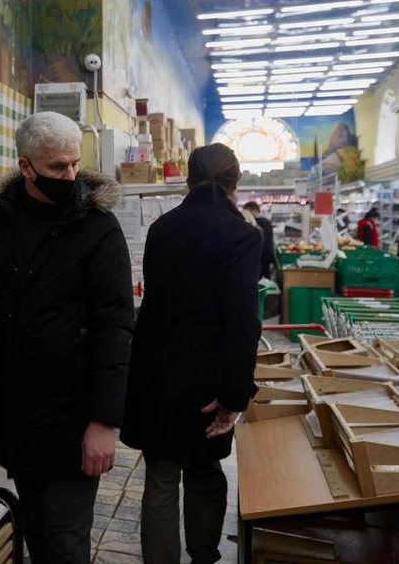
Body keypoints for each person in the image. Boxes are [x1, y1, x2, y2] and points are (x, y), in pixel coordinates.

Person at [0, 111, 134, 563]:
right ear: (26, 167)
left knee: (66, 543)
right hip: (20, 418)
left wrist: (105, 422)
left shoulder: (98, 228)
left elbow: (116, 326)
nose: (69, 176)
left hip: (76, 418)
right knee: (38, 534)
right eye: (56, 168)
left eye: (73, 163)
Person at [122, 144, 261, 564]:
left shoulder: (163, 228)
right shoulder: (243, 235)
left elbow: (157, 302)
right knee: (204, 474)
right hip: (209, 381)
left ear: (188, 178)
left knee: (161, 477)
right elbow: (241, 322)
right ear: (236, 183)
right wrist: (235, 396)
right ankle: (203, 556)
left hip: (158, 374)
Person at [243, 201, 275, 279]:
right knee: (266, 279)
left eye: (247, 212)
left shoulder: (257, 222)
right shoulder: (266, 221)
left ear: (254, 211)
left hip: (260, 257)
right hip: (267, 256)